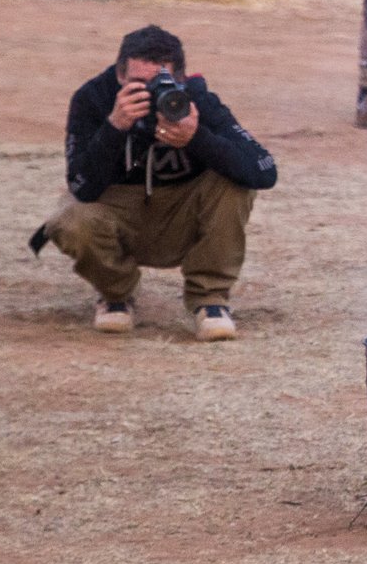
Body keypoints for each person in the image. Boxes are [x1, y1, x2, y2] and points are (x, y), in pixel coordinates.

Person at [33, 25, 279, 340]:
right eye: (137, 83)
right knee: (69, 219)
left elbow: (263, 171)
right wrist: (115, 126)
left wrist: (197, 137)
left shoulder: (197, 100)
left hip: (183, 215)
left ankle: (210, 299)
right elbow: (82, 186)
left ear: (181, 80)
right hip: (118, 211)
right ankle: (116, 293)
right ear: (119, 76)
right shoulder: (93, 98)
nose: (150, 93)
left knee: (233, 185)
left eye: (160, 84)